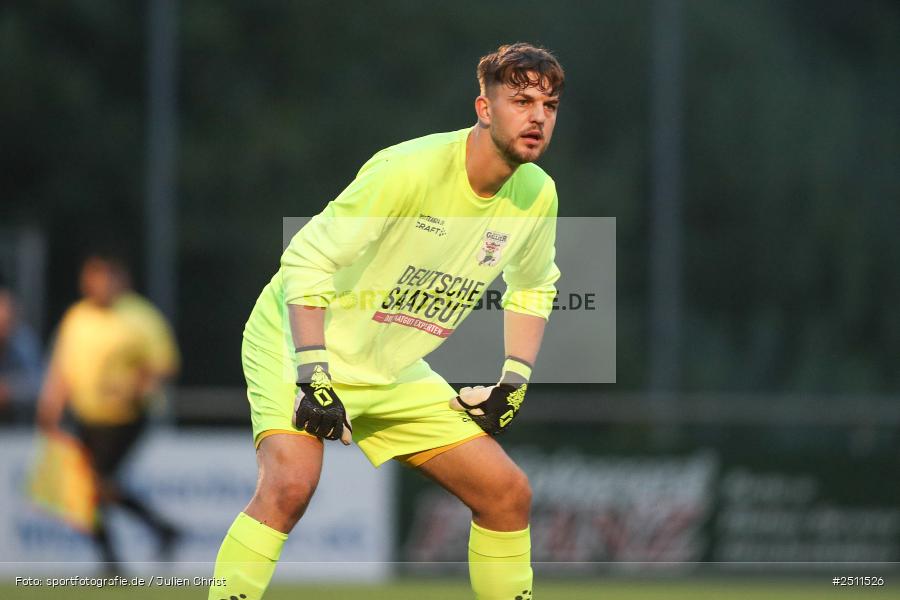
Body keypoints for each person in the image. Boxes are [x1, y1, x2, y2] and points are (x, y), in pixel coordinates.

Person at [209, 42, 564, 600]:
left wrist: (512, 381)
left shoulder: (537, 194)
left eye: (549, 105)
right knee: (290, 487)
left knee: (507, 494)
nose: (537, 116)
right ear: (483, 108)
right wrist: (313, 376)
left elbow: (533, 286)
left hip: (390, 366)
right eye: (520, 100)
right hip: (298, 341)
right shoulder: (408, 169)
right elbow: (306, 260)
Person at [36, 253, 181, 567]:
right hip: (87, 415)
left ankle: (133, 546)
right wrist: (50, 404)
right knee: (89, 490)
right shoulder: (77, 317)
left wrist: (134, 387)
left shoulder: (140, 316)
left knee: (94, 484)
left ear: (119, 280)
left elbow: (163, 365)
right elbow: (62, 365)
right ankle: (133, 547)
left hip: (127, 417)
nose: (97, 286)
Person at [0, 278, 43, 423]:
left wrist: (10, 390)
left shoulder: (24, 342)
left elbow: (39, 383)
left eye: (7, 320)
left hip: (19, 428)